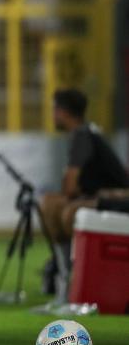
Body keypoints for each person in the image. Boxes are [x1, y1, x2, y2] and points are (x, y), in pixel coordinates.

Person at [39, 89, 129, 272]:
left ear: (63, 112)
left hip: (118, 198)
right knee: (50, 203)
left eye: (54, 110)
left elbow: (70, 187)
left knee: (69, 213)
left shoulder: (81, 136)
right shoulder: (86, 133)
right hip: (104, 195)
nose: (53, 115)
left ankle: (74, 270)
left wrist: (74, 192)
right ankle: (63, 269)